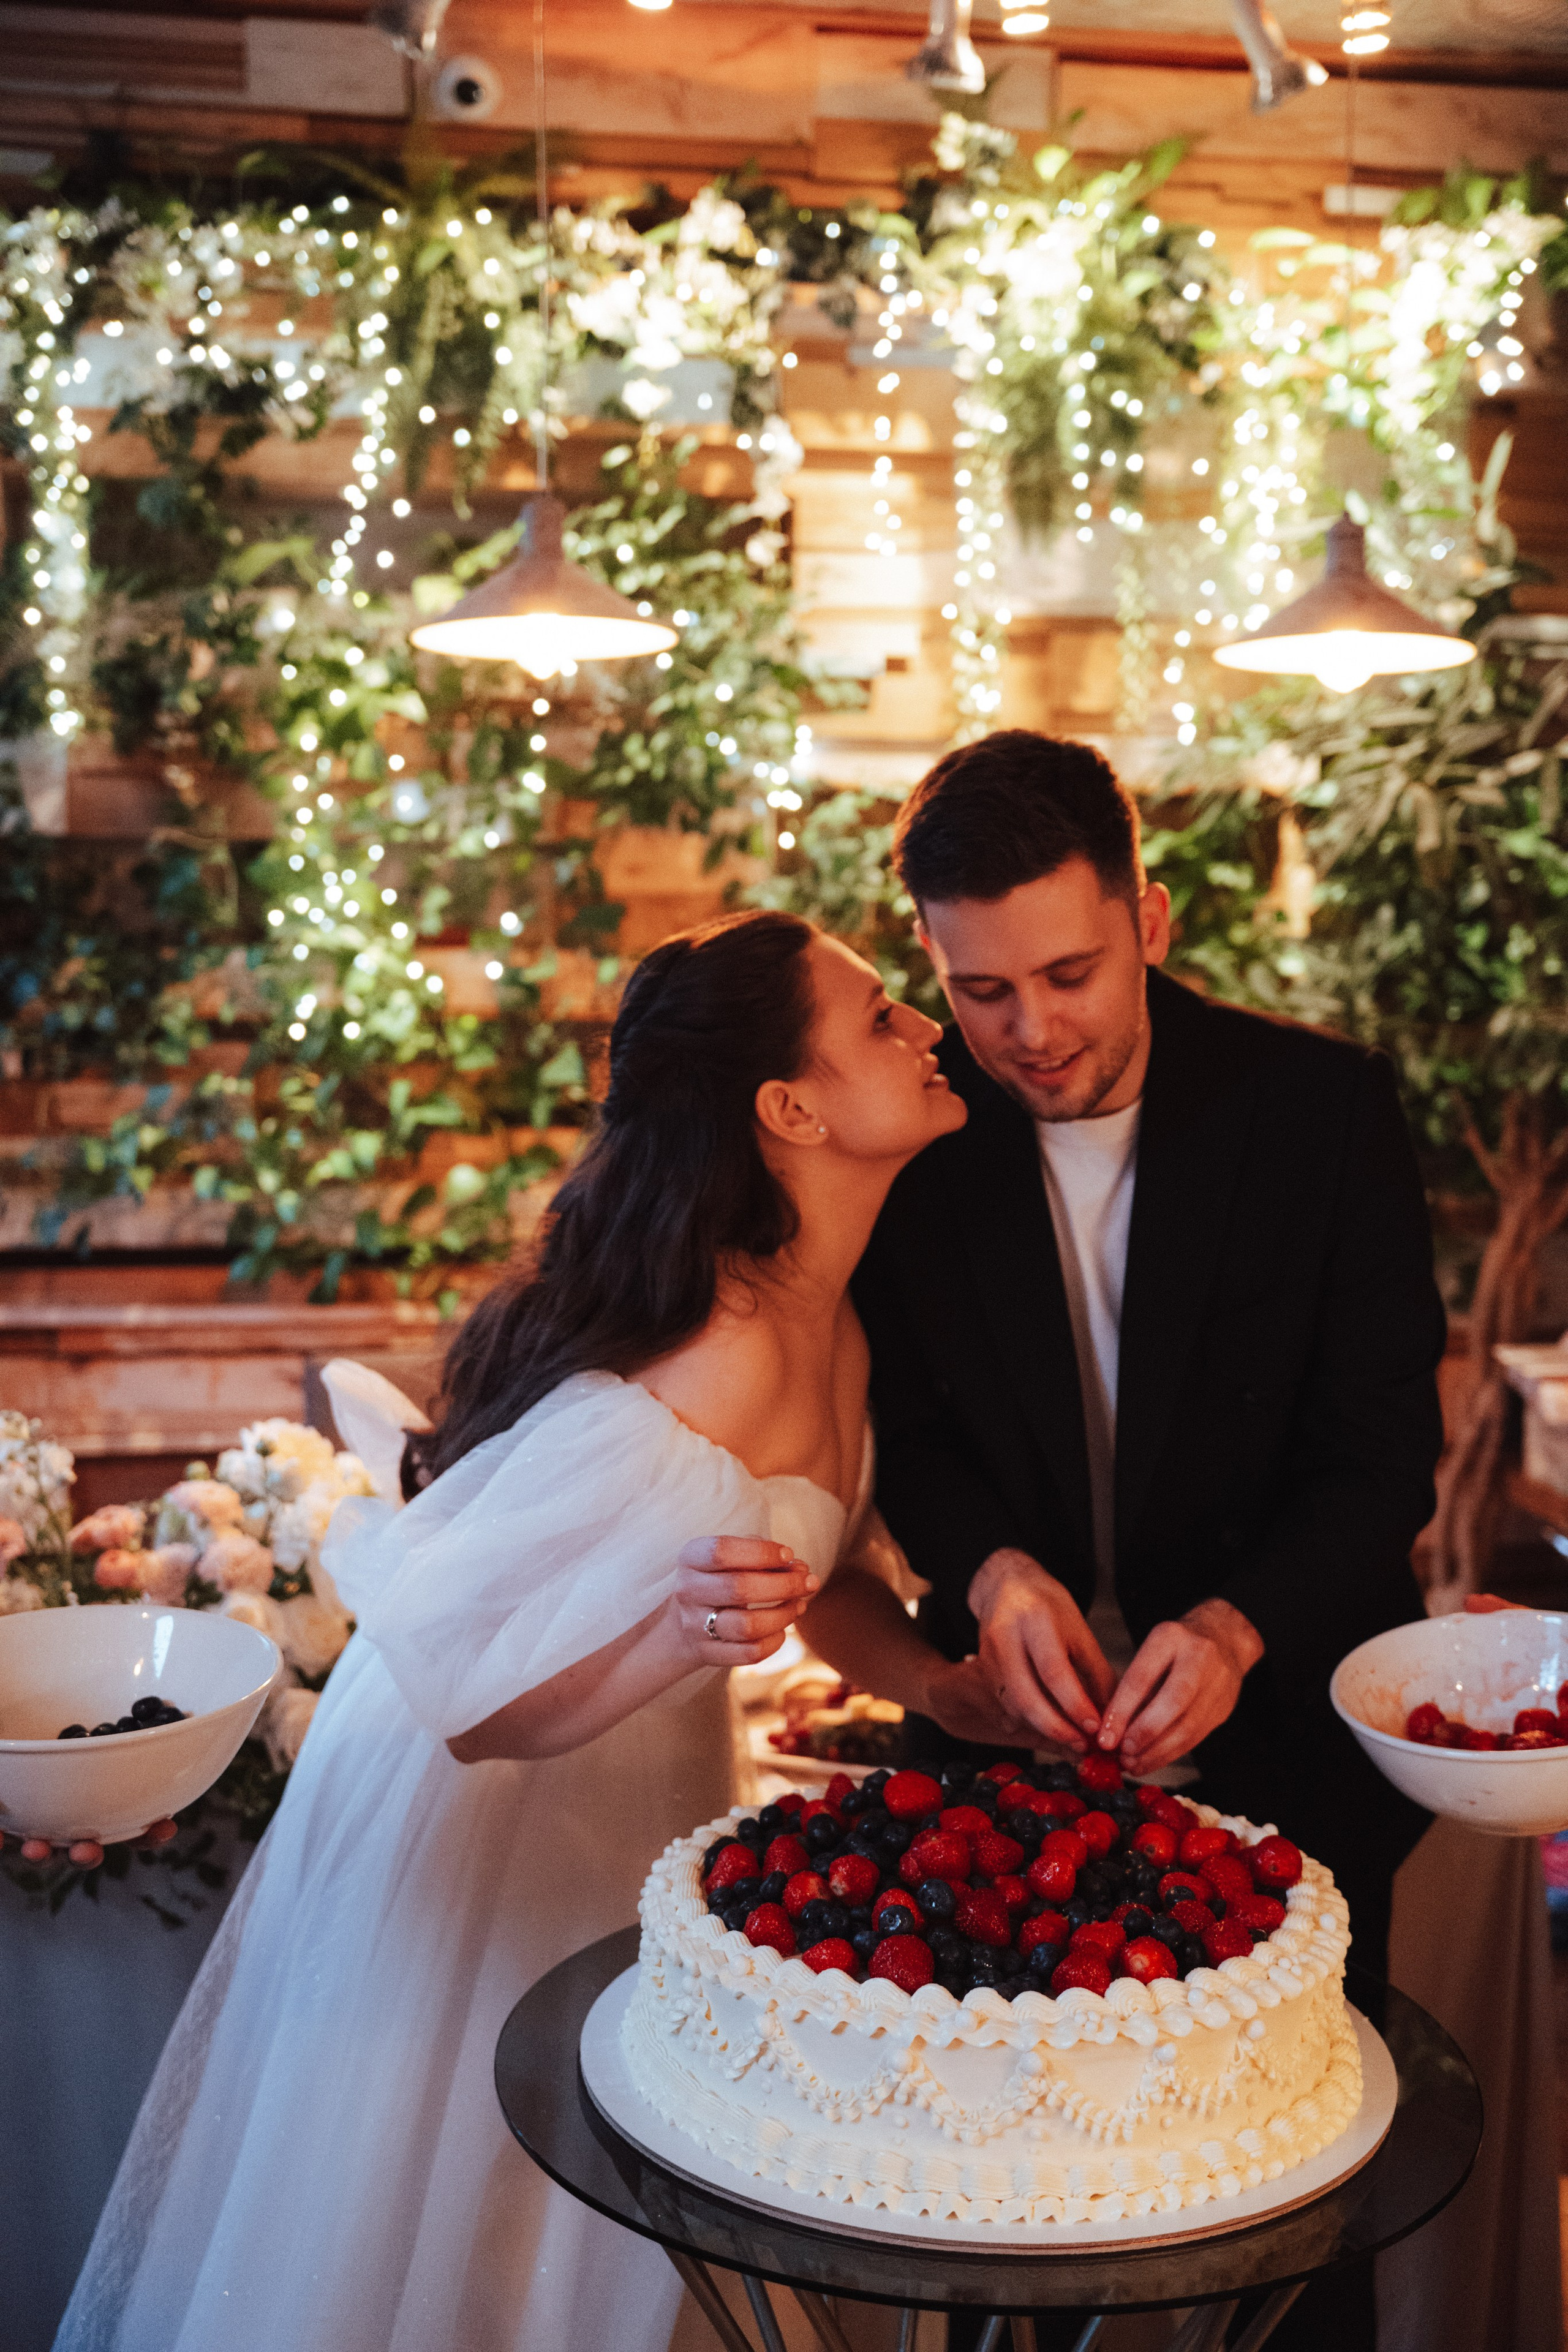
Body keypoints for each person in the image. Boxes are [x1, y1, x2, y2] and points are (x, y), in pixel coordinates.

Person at [53, 910, 970, 2352]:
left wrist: (936, 1683)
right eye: (878, 1016)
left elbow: (829, 1565)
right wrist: (679, 1635)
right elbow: (469, 1704)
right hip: (488, 1826)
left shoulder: (836, 1323)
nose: (924, 1025)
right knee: (460, 2225)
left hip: (641, 1812)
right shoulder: (700, 1363)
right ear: (787, 1108)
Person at [797, 731, 1446, 2352]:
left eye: (1069, 973)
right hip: (997, 1761)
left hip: (1285, 1746)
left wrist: (1236, 1627)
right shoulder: (917, 1140)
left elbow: (1385, 1464)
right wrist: (996, 1574)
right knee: (980, 2225)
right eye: (979, 990)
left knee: (1286, 2250)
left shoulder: (1326, 1109)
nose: (1027, 1031)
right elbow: (921, 1443)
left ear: (1150, 919)